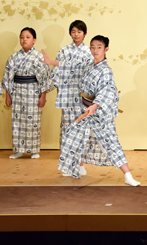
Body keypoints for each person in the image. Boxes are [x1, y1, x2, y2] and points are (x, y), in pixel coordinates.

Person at [58, 35, 140, 186]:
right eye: (92, 47)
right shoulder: (88, 65)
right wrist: (51, 62)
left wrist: (95, 106)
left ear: (106, 49)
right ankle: (79, 167)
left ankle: (128, 175)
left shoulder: (106, 71)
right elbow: (72, 67)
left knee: (111, 142)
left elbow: (107, 90)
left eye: (99, 47)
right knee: (76, 136)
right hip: (84, 108)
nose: (95, 50)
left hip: (99, 111)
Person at [40, 20, 97, 176]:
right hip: (67, 95)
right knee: (68, 129)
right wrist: (59, 90)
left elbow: (92, 73)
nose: (76, 34)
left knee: (82, 128)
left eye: (79, 32)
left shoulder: (89, 52)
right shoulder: (64, 51)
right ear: (70, 33)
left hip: (83, 95)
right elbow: (56, 73)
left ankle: (80, 163)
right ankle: (69, 164)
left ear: (85, 34)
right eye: (73, 31)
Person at [2, 27, 52, 159]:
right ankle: (19, 149)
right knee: (17, 121)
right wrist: (8, 95)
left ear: (34, 40)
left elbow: (45, 78)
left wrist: (43, 96)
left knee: (33, 121)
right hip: (17, 91)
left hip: (33, 91)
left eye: (28, 37)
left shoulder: (39, 57)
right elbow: (8, 78)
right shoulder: (13, 57)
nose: (24, 39)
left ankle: (34, 150)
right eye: (22, 37)